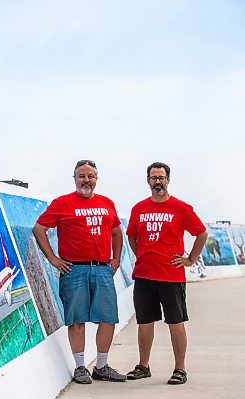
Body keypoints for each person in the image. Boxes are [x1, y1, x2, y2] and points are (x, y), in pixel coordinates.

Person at [33, 160, 127, 384]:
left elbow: (116, 232)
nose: (86, 180)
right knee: (77, 320)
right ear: (74, 178)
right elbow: (39, 229)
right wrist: (53, 259)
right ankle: (80, 367)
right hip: (74, 269)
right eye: (82, 176)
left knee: (108, 318)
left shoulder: (107, 203)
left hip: (103, 269)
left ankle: (102, 366)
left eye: (90, 176)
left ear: (96, 179)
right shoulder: (62, 203)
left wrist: (115, 259)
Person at [126, 162, 208, 385]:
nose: (158, 182)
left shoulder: (180, 207)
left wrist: (190, 259)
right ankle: (144, 366)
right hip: (144, 275)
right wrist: (142, 254)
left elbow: (201, 233)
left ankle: (180, 369)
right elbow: (131, 235)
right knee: (145, 322)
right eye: (154, 178)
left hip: (171, 276)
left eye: (161, 177)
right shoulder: (139, 208)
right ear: (148, 181)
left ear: (168, 180)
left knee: (175, 322)